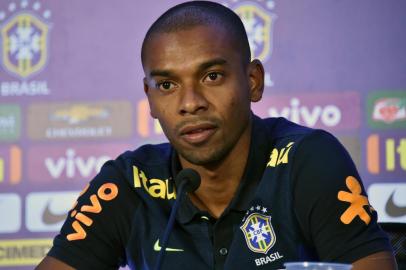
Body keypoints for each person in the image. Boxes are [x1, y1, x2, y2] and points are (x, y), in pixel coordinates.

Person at [36, 1, 397, 269]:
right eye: (167, 84)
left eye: (211, 77)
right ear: (150, 99)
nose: (190, 103)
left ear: (253, 82)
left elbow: (372, 262)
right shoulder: (127, 183)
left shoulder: (307, 160)